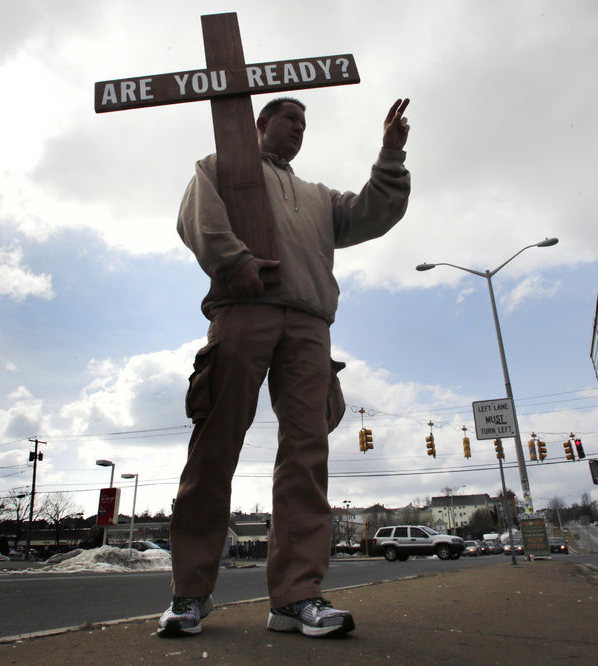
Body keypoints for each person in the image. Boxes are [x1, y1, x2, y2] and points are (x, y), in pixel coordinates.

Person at [159, 97, 411, 638]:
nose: (298, 129)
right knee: (216, 445)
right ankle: (189, 595)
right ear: (260, 124)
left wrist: (390, 155)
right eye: (289, 120)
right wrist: (236, 261)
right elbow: (195, 218)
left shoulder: (319, 197)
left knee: (305, 455)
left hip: (310, 324)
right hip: (243, 310)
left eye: (304, 124)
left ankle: (297, 598)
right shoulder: (221, 168)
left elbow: (371, 211)